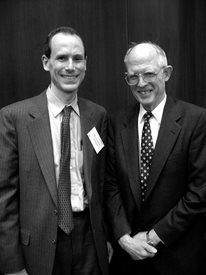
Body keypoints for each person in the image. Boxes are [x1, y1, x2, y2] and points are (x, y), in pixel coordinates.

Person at [0, 26, 109, 275]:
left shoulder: (97, 116)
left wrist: (107, 240)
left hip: (90, 241)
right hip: (38, 246)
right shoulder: (14, 117)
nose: (70, 66)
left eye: (77, 58)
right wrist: (11, 265)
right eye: (61, 58)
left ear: (85, 64)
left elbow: (103, 184)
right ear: (46, 62)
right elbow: (4, 198)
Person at [105, 41, 206, 275]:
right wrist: (123, 238)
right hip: (128, 259)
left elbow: (199, 192)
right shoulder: (116, 122)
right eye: (133, 77)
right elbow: (110, 186)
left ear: (166, 73)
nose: (141, 84)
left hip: (179, 258)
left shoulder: (196, 120)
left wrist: (153, 236)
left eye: (149, 74)